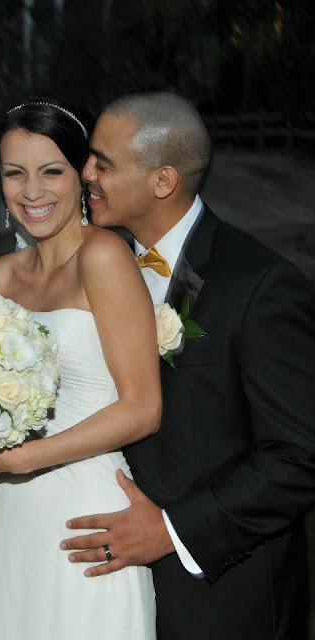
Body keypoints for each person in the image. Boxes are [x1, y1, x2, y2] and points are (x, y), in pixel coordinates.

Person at [59, 92, 315, 639]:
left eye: (104, 163)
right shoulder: (98, 267)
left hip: (220, 598)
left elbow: (299, 457)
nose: (85, 174)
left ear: (163, 181)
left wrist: (171, 532)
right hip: (106, 587)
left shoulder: (261, 287)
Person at [0, 98, 161, 640]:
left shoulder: (103, 257)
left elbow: (142, 408)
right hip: (2, 521)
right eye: (15, 173)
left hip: (84, 518)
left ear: (82, 175)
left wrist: (22, 459)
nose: (32, 191)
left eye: (51, 171)